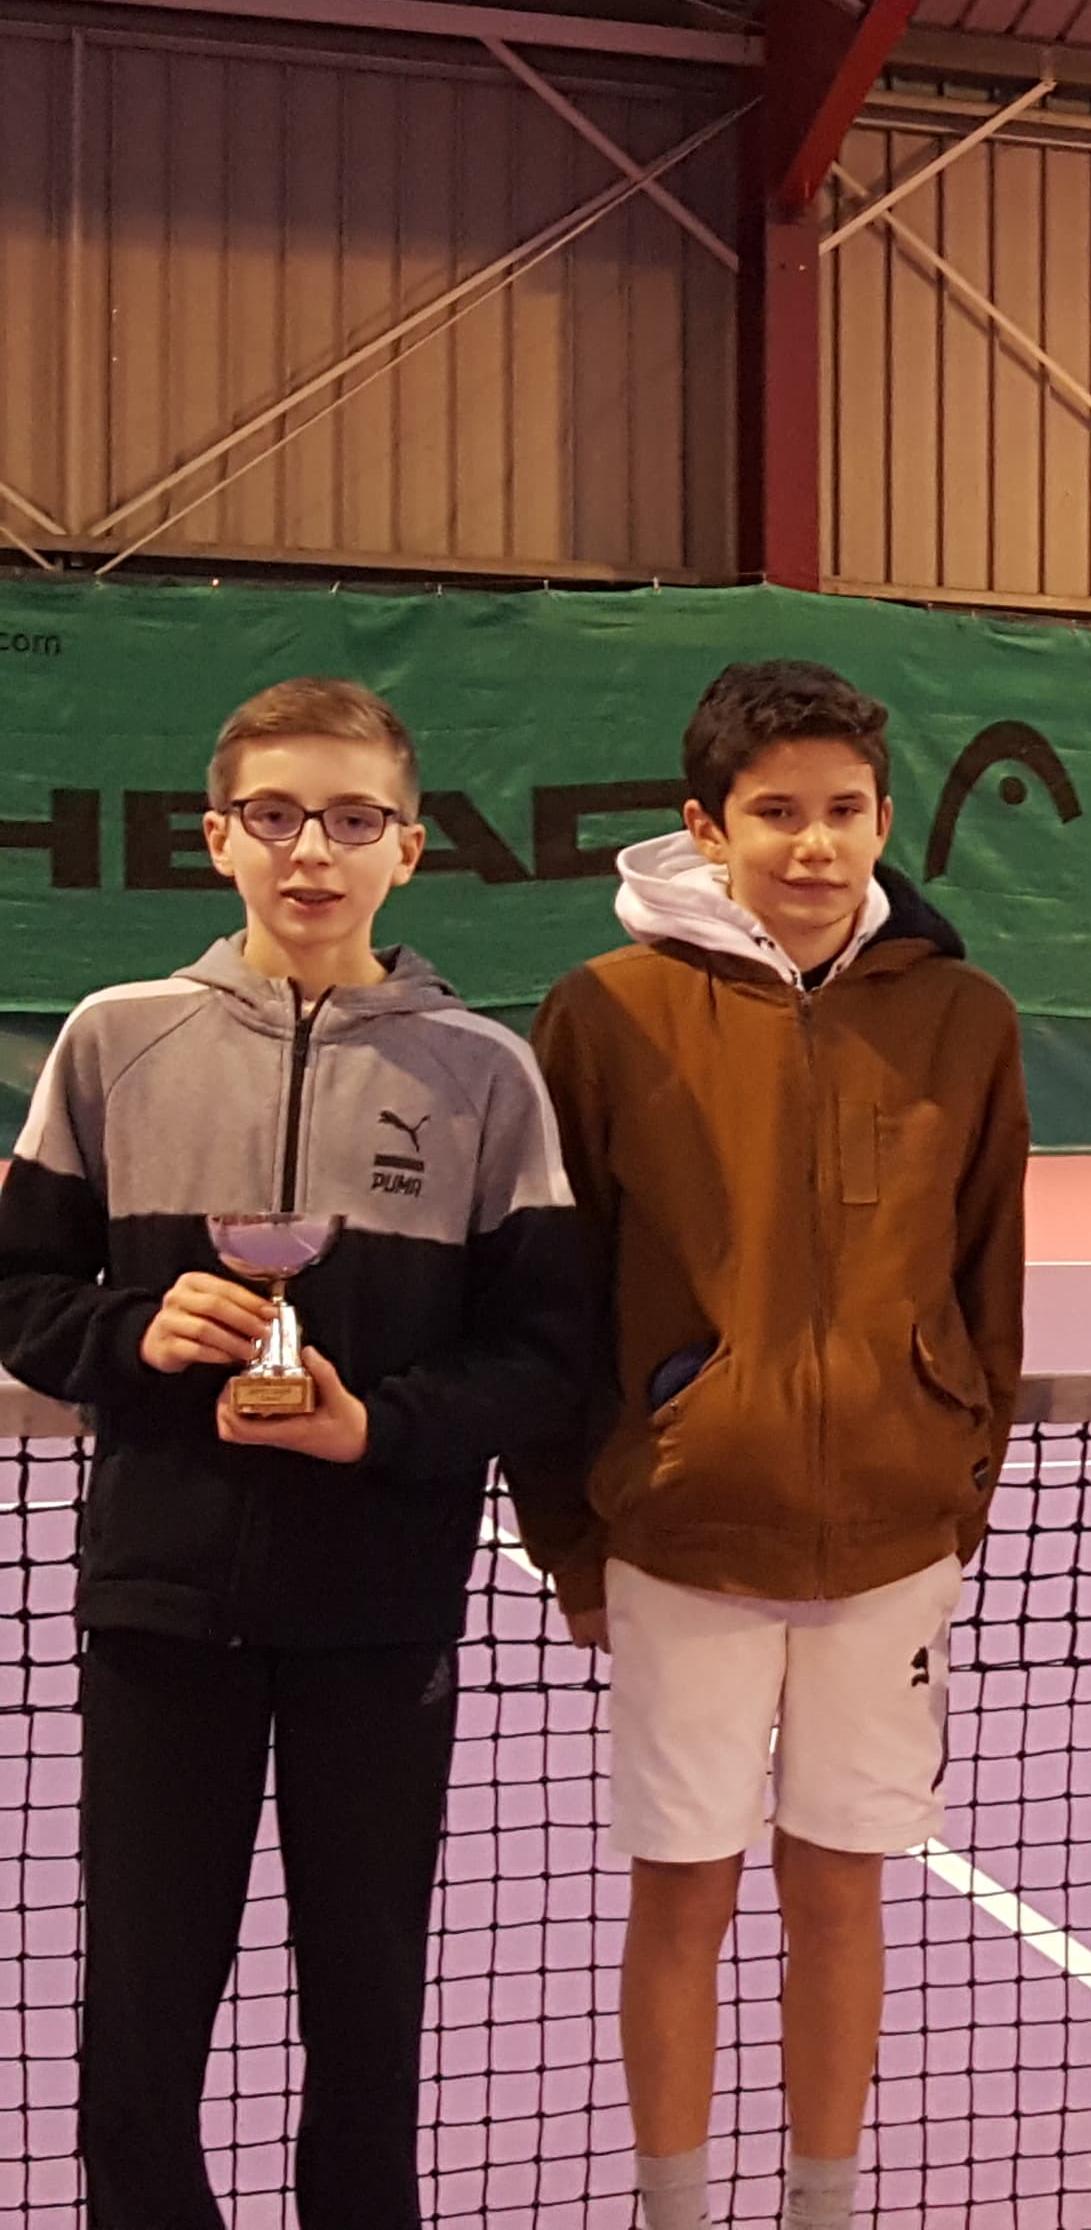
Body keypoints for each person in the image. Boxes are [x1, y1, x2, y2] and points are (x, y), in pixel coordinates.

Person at [0, 678, 585, 2228]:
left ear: (407, 847)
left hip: (380, 1615)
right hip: (160, 1604)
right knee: (139, 2020)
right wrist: (137, 1330)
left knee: (368, 2018)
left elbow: (543, 1356)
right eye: (274, 815)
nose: (310, 850)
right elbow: (21, 1292)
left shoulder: (485, 1074)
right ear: (217, 838)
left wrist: (374, 1427)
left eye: (349, 818)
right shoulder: (113, 1040)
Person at [511, 661, 1030, 2230]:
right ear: (704, 825)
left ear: (884, 819)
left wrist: (955, 1490)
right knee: (682, 1891)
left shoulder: (963, 1016)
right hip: (681, 1536)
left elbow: (990, 1278)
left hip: (894, 1543)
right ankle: (674, 2212)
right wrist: (574, 1538)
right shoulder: (604, 1013)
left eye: (845, 811)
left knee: (841, 1891)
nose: (815, 844)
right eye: (776, 812)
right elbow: (554, 1297)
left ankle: (823, 2207)